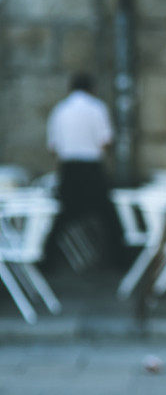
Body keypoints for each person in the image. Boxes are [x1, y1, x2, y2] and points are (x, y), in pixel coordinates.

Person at [45, 72, 124, 266]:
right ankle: (119, 259)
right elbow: (105, 140)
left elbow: (53, 146)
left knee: (62, 216)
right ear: (92, 88)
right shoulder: (97, 108)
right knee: (108, 216)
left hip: (69, 167)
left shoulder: (60, 110)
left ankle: (47, 258)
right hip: (91, 167)